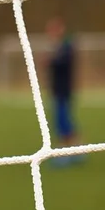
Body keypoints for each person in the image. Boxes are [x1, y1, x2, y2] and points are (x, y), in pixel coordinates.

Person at [45, 17, 85, 167]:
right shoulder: (58, 47)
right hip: (57, 90)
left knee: (63, 122)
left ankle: (67, 153)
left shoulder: (66, 46)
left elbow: (62, 63)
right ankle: (75, 151)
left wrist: (50, 61)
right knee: (62, 122)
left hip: (64, 90)